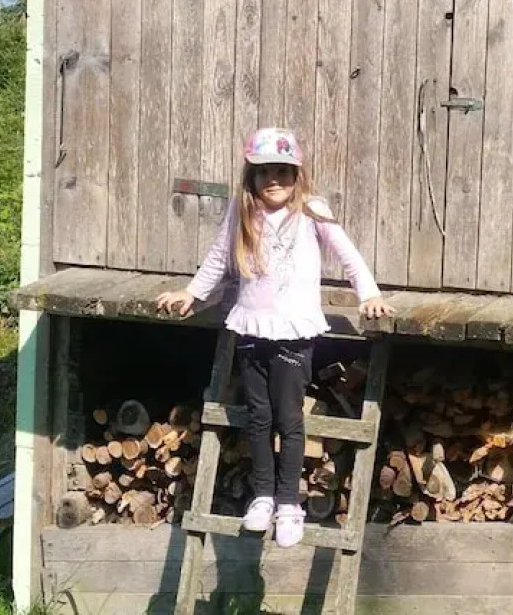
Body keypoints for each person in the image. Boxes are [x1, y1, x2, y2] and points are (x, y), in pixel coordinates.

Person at [155, 127, 394, 547]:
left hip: (293, 331)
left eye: (284, 171)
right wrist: (191, 293)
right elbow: (216, 259)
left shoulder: (313, 210)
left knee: (289, 418)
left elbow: (348, 256)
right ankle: (262, 496)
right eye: (265, 172)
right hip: (251, 327)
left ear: (297, 175)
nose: (275, 180)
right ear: (251, 175)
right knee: (258, 418)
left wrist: (369, 295)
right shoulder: (242, 211)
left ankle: (289, 504)